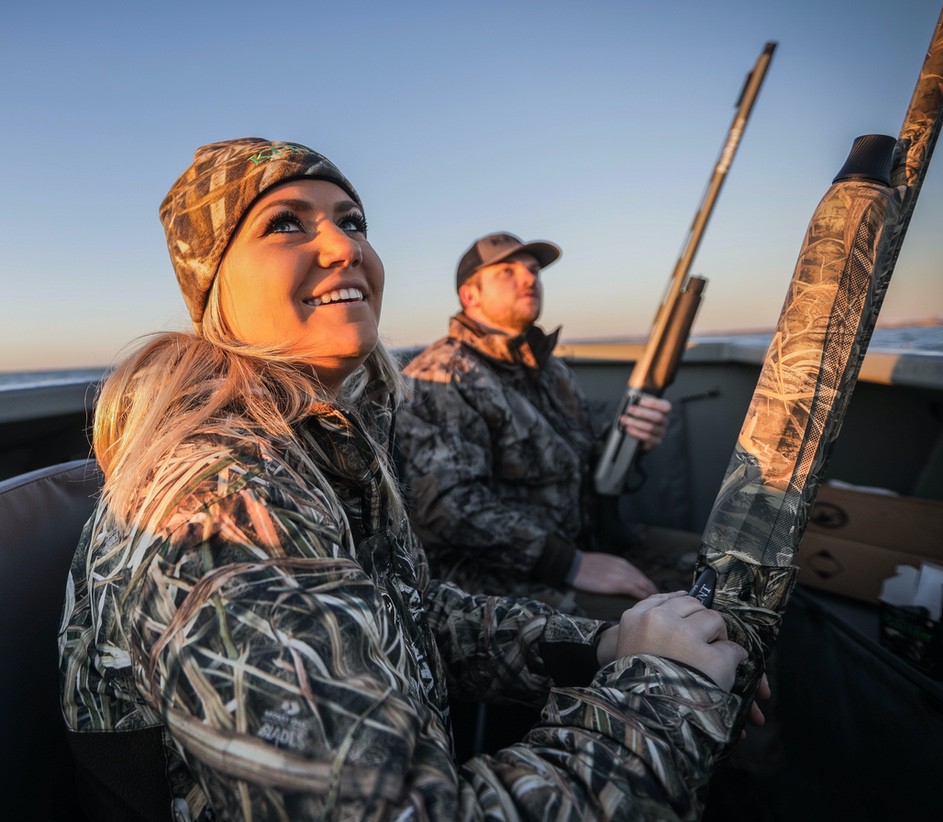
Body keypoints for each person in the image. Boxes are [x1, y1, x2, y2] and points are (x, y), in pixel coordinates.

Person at [58, 138, 755, 820]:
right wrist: (666, 689)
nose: (343, 246)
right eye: (285, 223)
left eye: (352, 221)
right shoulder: (223, 500)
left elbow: (411, 620)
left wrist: (598, 647)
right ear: (213, 287)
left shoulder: (325, 436)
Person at [395, 232, 698, 619]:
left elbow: (579, 461)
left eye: (534, 270)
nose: (529, 278)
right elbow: (449, 510)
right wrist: (571, 564)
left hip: (585, 541)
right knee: (661, 622)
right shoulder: (441, 376)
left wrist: (631, 443)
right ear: (470, 296)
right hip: (496, 577)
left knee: (719, 566)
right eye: (507, 271)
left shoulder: (552, 370)